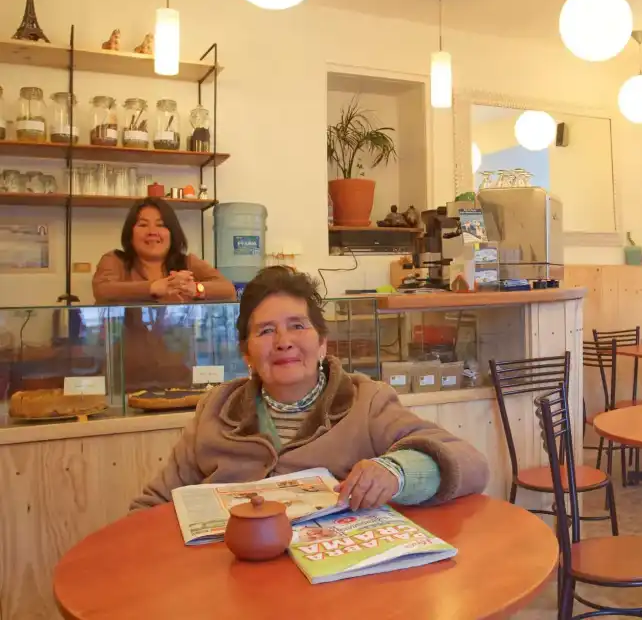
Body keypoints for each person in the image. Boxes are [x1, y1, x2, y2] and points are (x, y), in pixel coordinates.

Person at [130, 266, 490, 511]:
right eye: (266, 331)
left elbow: (471, 463)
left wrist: (397, 472)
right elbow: (151, 506)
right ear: (246, 353)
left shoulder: (366, 401)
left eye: (297, 326)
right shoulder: (215, 409)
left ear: (322, 344)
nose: (283, 342)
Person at [92, 197, 236, 304]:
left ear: (172, 233)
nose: (152, 232)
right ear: (130, 233)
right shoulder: (115, 260)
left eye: (160, 225)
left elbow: (228, 290)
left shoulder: (188, 262)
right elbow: (103, 291)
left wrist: (195, 288)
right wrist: (153, 287)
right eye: (143, 225)